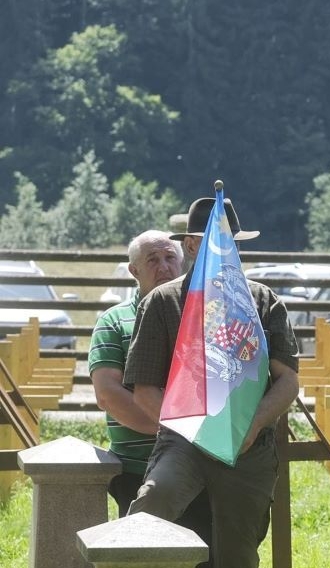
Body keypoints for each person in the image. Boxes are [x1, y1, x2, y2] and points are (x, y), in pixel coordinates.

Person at [123, 198, 300, 568]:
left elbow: (287, 381)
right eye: (216, 240)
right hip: (183, 441)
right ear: (190, 245)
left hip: (247, 445)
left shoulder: (264, 301)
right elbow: (144, 389)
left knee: (238, 553)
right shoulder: (161, 303)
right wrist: (193, 429)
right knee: (151, 508)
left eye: (230, 241)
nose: (227, 249)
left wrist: (251, 426)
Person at [89, 231, 212, 553]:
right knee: (143, 554)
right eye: (152, 260)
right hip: (138, 468)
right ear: (134, 271)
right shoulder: (114, 321)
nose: (163, 266)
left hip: (204, 464)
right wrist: (175, 431)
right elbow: (108, 393)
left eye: (170, 258)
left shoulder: (202, 316)